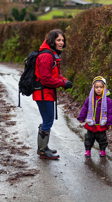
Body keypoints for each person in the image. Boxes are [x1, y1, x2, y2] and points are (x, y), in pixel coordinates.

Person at [33, 29, 73, 160]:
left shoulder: (53, 54)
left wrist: (65, 81)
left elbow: (56, 75)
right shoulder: (46, 56)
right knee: (48, 120)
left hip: (47, 93)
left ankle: (43, 148)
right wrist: (62, 84)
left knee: (47, 120)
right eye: (58, 40)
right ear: (52, 41)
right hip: (43, 93)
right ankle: (43, 151)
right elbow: (45, 79)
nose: (61, 42)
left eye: (62, 40)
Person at [77, 76, 112, 157]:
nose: (99, 89)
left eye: (101, 87)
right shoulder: (90, 99)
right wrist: (82, 118)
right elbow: (84, 108)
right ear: (93, 88)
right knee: (89, 138)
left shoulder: (107, 100)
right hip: (91, 123)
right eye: (97, 87)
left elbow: (110, 112)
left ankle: (102, 150)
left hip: (101, 124)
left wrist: (110, 123)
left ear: (104, 88)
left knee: (102, 139)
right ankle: (88, 150)